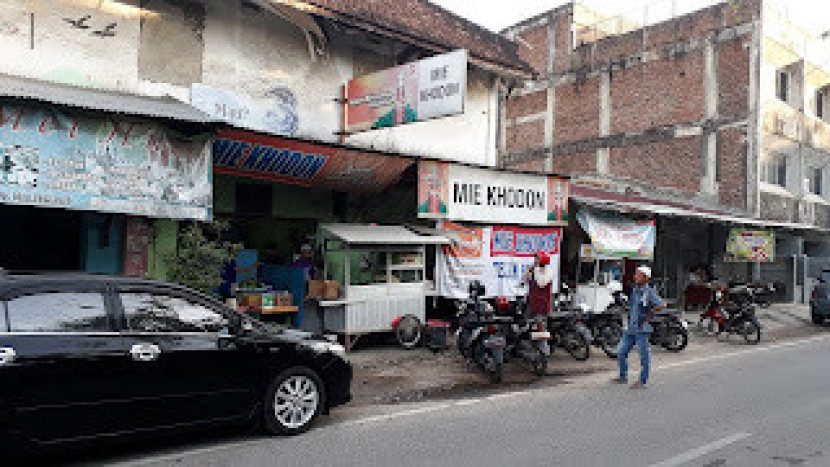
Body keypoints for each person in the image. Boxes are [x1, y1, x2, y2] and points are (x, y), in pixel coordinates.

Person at [613, 265, 665, 389]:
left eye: (638, 275)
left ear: (646, 278)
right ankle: (622, 376)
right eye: (635, 274)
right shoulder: (635, 290)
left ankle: (642, 381)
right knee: (621, 352)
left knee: (644, 356)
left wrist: (650, 313)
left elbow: (662, 304)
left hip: (641, 329)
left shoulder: (649, 292)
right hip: (631, 328)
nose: (635, 276)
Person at [523, 251, 554, 315]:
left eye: (537, 259)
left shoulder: (548, 271)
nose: (535, 261)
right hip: (532, 303)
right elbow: (526, 281)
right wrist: (528, 273)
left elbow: (541, 283)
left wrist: (536, 270)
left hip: (542, 305)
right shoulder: (534, 270)